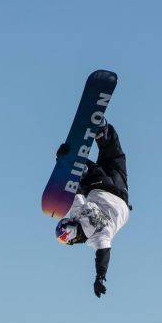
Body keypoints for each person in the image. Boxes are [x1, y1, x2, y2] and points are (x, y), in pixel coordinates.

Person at [54, 122, 130, 298]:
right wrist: (67, 164)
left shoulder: (95, 237)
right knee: (109, 158)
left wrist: (64, 164)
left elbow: (103, 254)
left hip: (118, 194)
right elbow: (103, 255)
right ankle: (101, 133)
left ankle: (103, 132)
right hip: (103, 186)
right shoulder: (95, 236)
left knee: (115, 155)